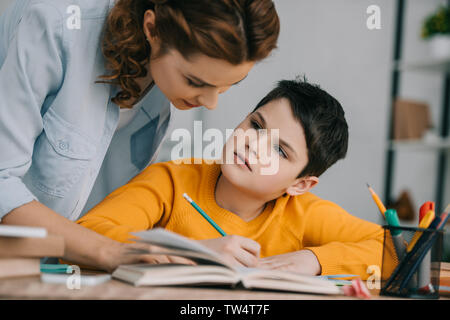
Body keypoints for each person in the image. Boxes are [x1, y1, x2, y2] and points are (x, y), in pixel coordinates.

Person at [0, 0, 280, 272]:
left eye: (227, 85)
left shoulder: (163, 84)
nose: (210, 102)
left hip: (69, 275)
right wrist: (109, 251)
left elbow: (114, 209)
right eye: (195, 81)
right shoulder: (56, 23)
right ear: (152, 28)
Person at [77, 78, 384, 279]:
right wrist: (191, 253)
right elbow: (87, 232)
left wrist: (314, 260)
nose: (254, 144)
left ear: (300, 184)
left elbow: (397, 250)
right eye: (256, 126)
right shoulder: (170, 181)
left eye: (279, 150)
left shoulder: (304, 213)